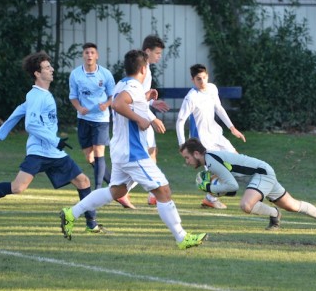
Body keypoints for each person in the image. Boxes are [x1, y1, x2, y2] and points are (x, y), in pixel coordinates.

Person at [60, 49, 207, 250]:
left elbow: (126, 100)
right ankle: (182, 237)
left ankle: (72, 213)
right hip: (133, 152)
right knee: (163, 190)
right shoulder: (132, 86)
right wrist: (140, 119)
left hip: (120, 149)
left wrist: (146, 98)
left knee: (116, 191)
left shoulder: (123, 83)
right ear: (143, 68)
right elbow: (120, 104)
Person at [0, 51, 107, 234]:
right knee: (17, 188)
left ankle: (91, 224)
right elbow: (31, 124)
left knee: (83, 181)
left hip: (53, 151)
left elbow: (18, 111)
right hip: (40, 150)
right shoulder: (36, 96)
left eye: (50, 66)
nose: (52, 69)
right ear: (37, 73)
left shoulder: (42, 95)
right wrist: (55, 140)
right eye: (47, 67)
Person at [179, 138, 316, 230]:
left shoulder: (211, 161)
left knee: (246, 205)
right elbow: (229, 189)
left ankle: (274, 214)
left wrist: (208, 188)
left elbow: (232, 187)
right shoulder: (211, 160)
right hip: (262, 172)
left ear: (196, 153)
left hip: (261, 174)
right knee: (293, 205)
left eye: (187, 157)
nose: (186, 162)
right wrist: (216, 190)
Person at [70, 42, 135, 209]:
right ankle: (116, 188)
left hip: (101, 120)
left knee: (99, 153)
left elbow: (113, 96)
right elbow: (73, 96)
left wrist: (106, 104)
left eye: (92, 52)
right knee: (89, 157)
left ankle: (97, 191)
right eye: (86, 52)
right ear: (83, 55)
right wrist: (79, 108)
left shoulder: (105, 74)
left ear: (97, 55)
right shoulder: (75, 74)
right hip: (84, 119)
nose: (89, 55)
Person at [176, 63, 246, 209]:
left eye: (204, 78)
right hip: (202, 141)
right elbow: (180, 121)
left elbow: (219, 108)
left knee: (237, 160)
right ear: (192, 80)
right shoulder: (191, 98)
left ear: (207, 76)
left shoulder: (212, 88)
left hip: (216, 134)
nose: (202, 82)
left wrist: (232, 128)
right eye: (198, 79)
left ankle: (210, 196)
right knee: (219, 170)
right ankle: (210, 197)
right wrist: (183, 145)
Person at [141, 35, 169, 206]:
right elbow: (135, 98)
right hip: (140, 118)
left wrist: (151, 101)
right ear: (147, 51)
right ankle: (152, 192)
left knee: (151, 153)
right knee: (146, 155)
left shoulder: (146, 68)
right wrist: (152, 118)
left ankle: (152, 193)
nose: (159, 56)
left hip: (142, 115)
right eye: (157, 53)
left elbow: (139, 97)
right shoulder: (143, 69)